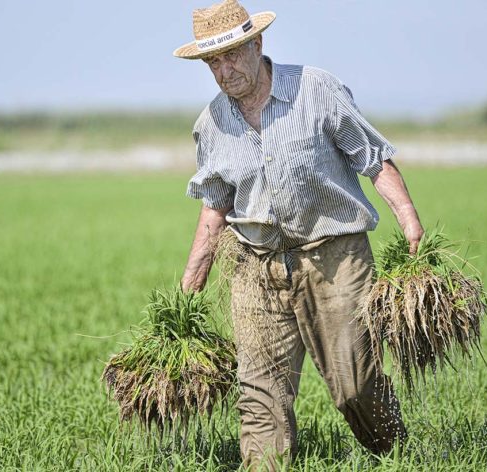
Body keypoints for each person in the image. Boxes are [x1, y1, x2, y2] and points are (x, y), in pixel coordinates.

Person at [174, 0, 424, 469]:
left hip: (335, 260)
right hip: (256, 268)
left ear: (258, 44)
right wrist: (190, 287)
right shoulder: (211, 125)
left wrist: (408, 219)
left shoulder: (316, 89)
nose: (224, 71)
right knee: (259, 398)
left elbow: (371, 157)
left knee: (354, 386)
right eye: (213, 62)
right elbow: (214, 207)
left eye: (231, 55)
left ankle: (398, 457)